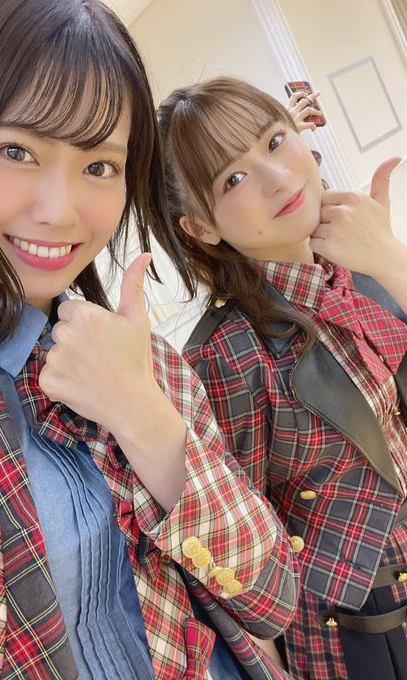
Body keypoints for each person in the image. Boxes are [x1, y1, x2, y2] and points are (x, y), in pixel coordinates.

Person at [0, 4, 300, 679]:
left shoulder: (149, 361)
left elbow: (271, 598)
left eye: (100, 166)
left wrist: (140, 412)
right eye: (17, 151)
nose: (61, 211)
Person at [155, 75, 407, 680]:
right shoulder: (226, 353)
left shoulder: (362, 270)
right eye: (232, 179)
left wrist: (393, 263)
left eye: (273, 140)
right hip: (359, 629)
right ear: (202, 228)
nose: (275, 177)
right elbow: (235, 548)